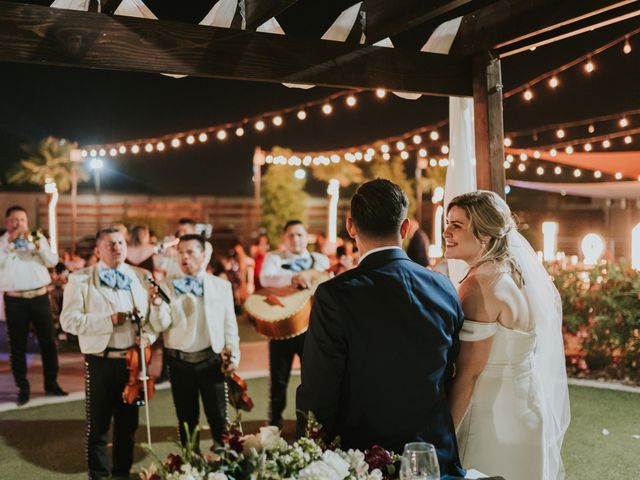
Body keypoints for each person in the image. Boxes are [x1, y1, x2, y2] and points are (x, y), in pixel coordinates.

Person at [296, 180, 465, 477]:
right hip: (431, 453)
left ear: (351, 227)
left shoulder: (335, 294)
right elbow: (450, 369)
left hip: (361, 456)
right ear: (405, 228)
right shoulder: (444, 287)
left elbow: (320, 388)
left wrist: (309, 451)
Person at [444, 191, 570, 480]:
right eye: (448, 223)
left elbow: (468, 374)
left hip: (491, 419)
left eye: (457, 225)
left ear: (485, 235)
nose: (446, 232)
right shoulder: (512, 273)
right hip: (525, 408)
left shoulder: (477, 286)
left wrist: (445, 435)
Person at [60, 227, 156, 480]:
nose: (117, 248)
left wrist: (146, 334)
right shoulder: (80, 279)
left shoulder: (140, 276)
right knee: (99, 426)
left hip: (132, 364)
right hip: (100, 361)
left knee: (128, 427)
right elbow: (68, 321)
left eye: (121, 243)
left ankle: (122, 473)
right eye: (111, 244)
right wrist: (108, 320)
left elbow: (150, 318)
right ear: (98, 250)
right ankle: (99, 475)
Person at [149, 234, 240, 445]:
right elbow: (160, 325)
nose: (184, 257)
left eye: (190, 252)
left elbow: (230, 326)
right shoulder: (166, 286)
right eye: (180, 252)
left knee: (219, 419)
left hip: (212, 361)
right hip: (178, 362)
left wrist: (233, 356)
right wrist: (156, 305)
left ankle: (226, 469)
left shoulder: (221, 286)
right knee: (186, 421)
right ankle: (190, 468)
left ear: (203, 254)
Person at [260, 220, 329, 428]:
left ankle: (311, 422)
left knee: (313, 377)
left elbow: (327, 282)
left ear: (307, 237)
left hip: (312, 328)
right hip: (282, 327)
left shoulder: (319, 260)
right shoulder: (274, 258)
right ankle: (275, 421)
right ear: (285, 238)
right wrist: (294, 277)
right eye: (291, 235)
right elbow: (265, 279)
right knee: (278, 380)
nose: (296, 239)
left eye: (300, 235)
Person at [0, 205, 66, 406]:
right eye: (15, 220)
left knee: (48, 341)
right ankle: (23, 387)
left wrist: (40, 246)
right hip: (15, 300)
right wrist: (9, 244)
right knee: (18, 346)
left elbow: (52, 261)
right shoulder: (2, 243)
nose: (19, 223)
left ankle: (51, 383)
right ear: (7, 222)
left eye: (22, 219)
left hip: (39, 297)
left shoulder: (37, 239)